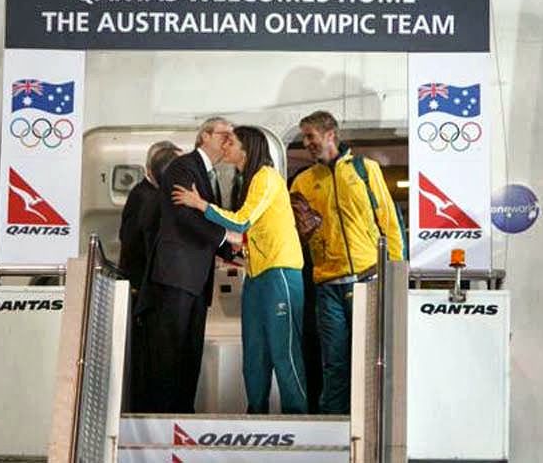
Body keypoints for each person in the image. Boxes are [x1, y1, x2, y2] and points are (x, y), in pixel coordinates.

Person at [172, 126, 308, 414]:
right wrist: (237, 251)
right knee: (255, 354)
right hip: (257, 274)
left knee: (284, 352)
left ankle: (298, 418)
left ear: (247, 148)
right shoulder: (247, 181)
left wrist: (200, 205)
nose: (225, 146)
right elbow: (253, 229)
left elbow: (242, 221)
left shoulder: (266, 177)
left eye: (230, 142)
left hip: (280, 271)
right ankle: (255, 414)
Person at [289, 110, 404, 415]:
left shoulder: (366, 170)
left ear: (330, 134)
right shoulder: (302, 182)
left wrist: (396, 274)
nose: (307, 142)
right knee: (334, 362)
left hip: (368, 279)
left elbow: (390, 224)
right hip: (327, 285)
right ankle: (335, 424)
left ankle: (372, 420)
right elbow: (298, 233)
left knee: (371, 359)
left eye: (311, 135)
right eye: (304, 137)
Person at [140, 117, 236, 413]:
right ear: (204, 136)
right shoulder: (183, 167)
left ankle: (182, 417)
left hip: (196, 279)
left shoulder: (212, 175)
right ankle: (163, 421)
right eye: (224, 134)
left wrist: (233, 252)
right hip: (176, 276)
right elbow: (186, 216)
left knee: (189, 353)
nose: (229, 140)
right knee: (170, 355)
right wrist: (226, 238)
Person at [118, 141, 181, 412]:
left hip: (142, 288)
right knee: (152, 361)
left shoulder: (142, 194)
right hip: (145, 290)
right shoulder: (149, 199)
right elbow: (140, 245)